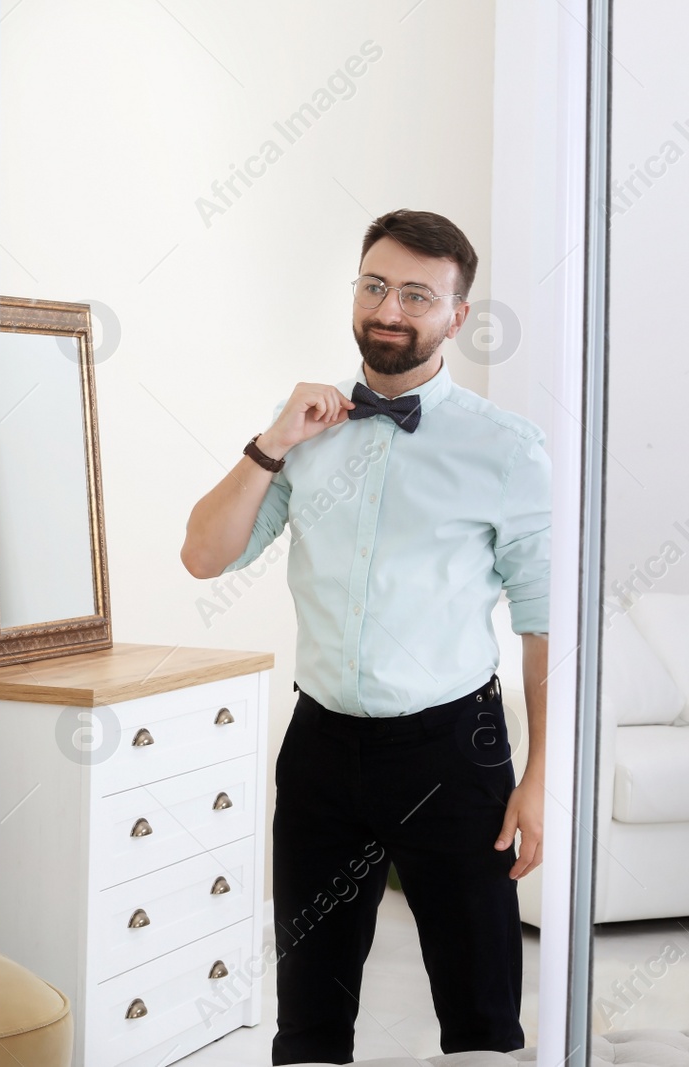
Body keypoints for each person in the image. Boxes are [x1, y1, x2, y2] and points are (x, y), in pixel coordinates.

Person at [180, 209, 549, 1064]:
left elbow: (543, 627)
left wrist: (540, 776)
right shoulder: (301, 428)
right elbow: (202, 555)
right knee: (308, 1015)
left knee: (481, 1009)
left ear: (457, 316)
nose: (391, 307)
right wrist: (273, 442)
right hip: (320, 749)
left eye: (418, 294)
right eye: (376, 285)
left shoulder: (509, 451)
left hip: (455, 752)